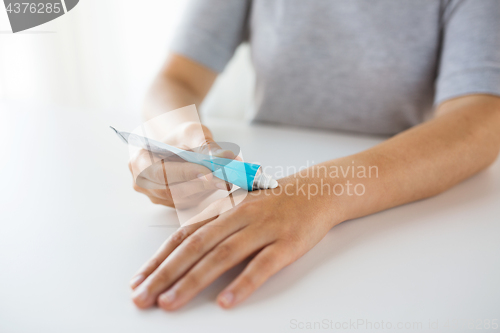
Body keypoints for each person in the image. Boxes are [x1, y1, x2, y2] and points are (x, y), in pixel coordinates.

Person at [128, 0, 500, 311]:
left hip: (410, 213)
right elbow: (176, 79)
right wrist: (178, 139)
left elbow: (483, 116)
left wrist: (316, 193)